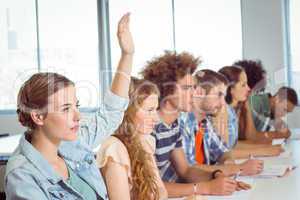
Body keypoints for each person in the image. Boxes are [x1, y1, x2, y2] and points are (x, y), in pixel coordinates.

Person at [5, 13, 134, 200]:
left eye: (76, 106)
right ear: (38, 116)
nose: (78, 116)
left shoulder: (72, 143)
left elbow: (110, 113)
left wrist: (127, 55)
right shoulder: (22, 176)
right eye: (66, 109)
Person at [141, 52, 250, 197]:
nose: (194, 93)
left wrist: (217, 177)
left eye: (193, 87)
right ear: (166, 90)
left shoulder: (173, 126)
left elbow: (186, 170)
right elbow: (152, 187)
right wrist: (206, 188)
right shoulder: (150, 129)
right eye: (186, 88)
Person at [181, 69, 263, 176]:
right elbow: (190, 168)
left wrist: (227, 162)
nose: (223, 103)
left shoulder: (205, 123)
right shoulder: (184, 124)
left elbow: (224, 151)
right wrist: (238, 169)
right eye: (219, 95)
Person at [97, 78, 168, 200]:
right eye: (150, 110)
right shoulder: (114, 149)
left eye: (155, 110)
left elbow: (161, 191)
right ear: (128, 111)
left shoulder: (145, 140)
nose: (156, 118)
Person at [218, 66, 289, 143]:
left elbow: (249, 137)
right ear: (230, 88)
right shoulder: (222, 112)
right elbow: (234, 146)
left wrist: (247, 108)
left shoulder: (239, 108)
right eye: (243, 85)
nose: (248, 89)